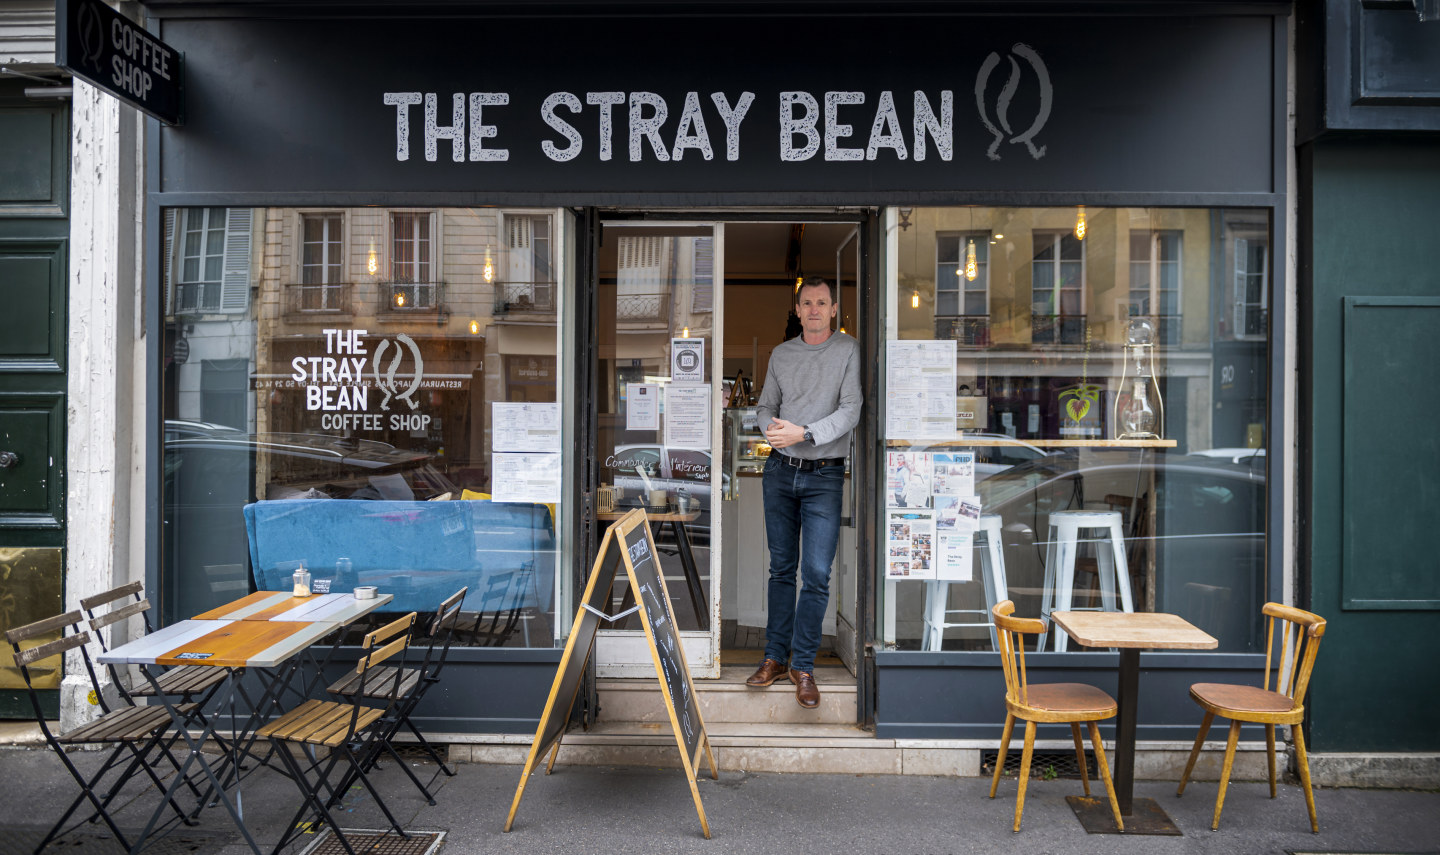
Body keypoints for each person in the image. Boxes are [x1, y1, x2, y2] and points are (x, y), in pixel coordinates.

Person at [745, 277, 862, 709]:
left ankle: (804, 666)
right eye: (806, 303)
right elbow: (763, 407)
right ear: (797, 310)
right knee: (781, 569)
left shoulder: (847, 350)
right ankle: (775, 657)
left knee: (815, 574)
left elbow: (852, 409)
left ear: (834, 309)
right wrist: (773, 431)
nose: (814, 309)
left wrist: (806, 432)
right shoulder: (781, 354)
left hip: (825, 476)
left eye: (822, 302)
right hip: (779, 471)